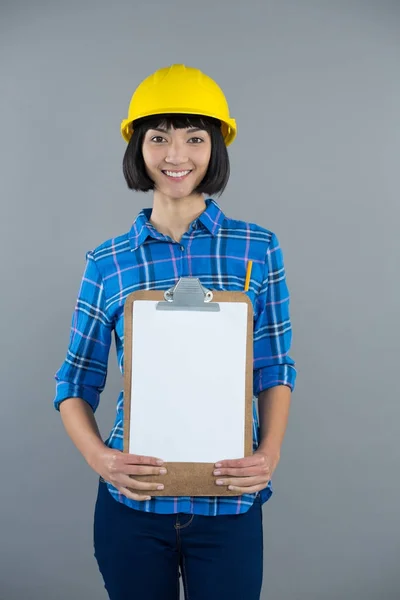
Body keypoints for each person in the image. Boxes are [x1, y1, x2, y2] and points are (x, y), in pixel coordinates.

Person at [54, 63, 297, 600]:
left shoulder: (258, 248)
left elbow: (274, 365)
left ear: (216, 149)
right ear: (138, 147)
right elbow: (73, 382)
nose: (176, 155)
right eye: (159, 137)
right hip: (133, 506)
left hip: (230, 501)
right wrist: (103, 461)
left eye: (194, 138)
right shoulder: (108, 261)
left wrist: (269, 455)